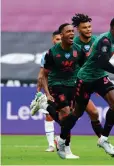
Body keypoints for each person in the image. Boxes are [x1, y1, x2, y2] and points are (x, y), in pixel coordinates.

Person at [55, 17, 114, 158]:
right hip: (85, 79)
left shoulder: (108, 40)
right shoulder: (105, 41)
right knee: (76, 113)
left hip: (99, 77)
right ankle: (61, 140)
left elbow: (100, 64)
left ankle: (103, 139)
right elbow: (102, 63)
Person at [31, 23, 86, 159]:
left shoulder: (78, 50)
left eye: (72, 31)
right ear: (61, 36)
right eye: (68, 31)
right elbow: (43, 74)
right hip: (56, 84)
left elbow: (85, 68)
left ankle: (44, 105)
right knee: (67, 114)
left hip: (72, 85)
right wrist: (48, 93)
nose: (72, 33)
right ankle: (64, 147)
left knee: (66, 120)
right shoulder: (52, 53)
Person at [36, 30, 61, 152]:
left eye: (61, 39)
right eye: (57, 39)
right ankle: (51, 144)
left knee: (69, 116)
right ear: (53, 40)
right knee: (49, 115)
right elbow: (42, 72)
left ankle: (59, 139)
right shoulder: (47, 55)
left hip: (66, 88)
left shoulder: (73, 53)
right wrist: (40, 86)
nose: (59, 41)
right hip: (50, 88)